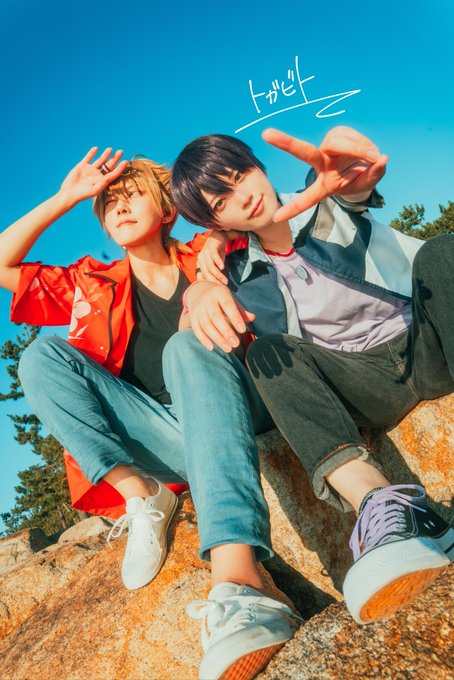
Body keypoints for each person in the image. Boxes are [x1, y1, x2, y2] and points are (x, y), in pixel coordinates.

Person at [0, 147, 301, 680]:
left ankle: (240, 585)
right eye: (108, 202)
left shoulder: (207, 253)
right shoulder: (92, 284)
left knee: (186, 346)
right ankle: (141, 496)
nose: (117, 206)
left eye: (131, 195)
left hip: (240, 410)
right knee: (40, 357)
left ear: (166, 210)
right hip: (167, 440)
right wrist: (67, 197)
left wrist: (217, 238)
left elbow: (266, 218)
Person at [170, 125, 454, 626]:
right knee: (268, 354)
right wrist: (198, 291)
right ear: (214, 222)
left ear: (258, 166)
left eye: (240, 175)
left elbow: (349, 185)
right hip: (361, 383)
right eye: (221, 202)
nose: (243, 197)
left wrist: (353, 170)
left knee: (442, 250)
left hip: (424, 343)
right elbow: (188, 339)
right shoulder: (236, 273)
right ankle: (387, 509)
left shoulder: (323, 201)